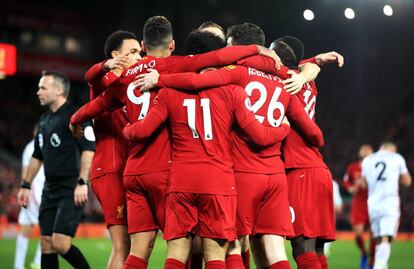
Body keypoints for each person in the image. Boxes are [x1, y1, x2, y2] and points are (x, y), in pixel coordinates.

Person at [70, 16, 279, 269]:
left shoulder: (125, 76)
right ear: (172, 45)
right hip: (170, 172)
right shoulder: (177, 70)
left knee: (138, 253)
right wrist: (258, 49)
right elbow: (217, 60)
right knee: (198, 246)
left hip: (135, 171)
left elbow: (97, 104)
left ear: (144, 45)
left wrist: (75, 120)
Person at [135, 28, 325, 269]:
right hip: (275, 176)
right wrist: (311, 66)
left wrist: (159, 80)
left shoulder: (237, 74)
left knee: (231, 244)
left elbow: (196, 81)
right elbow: (316, 135)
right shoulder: (284, 79)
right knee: (276, 252)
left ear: (236, 47)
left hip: (242, 171)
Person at [17, 70, 95, 269]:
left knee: (60, 243)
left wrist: (82, 182)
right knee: (46, 244)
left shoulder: (76, 116)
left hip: (71, 188)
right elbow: (37, 155)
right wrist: (25, 185)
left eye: (43, 87)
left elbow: (88, 149)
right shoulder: (44, 120)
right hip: (49, 190)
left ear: (59, 90)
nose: (38, 91)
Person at [82, 30, 141, 269]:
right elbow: (90, 76)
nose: (140, 56)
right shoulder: (105, 85)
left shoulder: (132, 86)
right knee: (122, 246)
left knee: (131, 246)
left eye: (141, 51)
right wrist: (107, 65)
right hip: (110, 170)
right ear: (117, 55)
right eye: (134, 51)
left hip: (125, 171)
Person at [361, 141, 412, 269]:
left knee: (378, 239)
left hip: (372, 204)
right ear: (392, 149)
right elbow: (407, 181)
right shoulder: (396, 158)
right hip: (389, 202)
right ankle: (378, 267)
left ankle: (382, 265)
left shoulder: (367, 160)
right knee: (386, 239)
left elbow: (363, 183)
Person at [14, 124, 45, 269]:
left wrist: (23, 189)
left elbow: (24, 172)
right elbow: (27, 171)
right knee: (47, 230)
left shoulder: (30, 147)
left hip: (32, 192)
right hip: (36, 193)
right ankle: (37, 262)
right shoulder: (38, 146)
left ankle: (19, 265)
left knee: (26, 229)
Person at [343, 144, 375, 269]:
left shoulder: (375, 167)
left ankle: (372, 261)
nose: (366, 154)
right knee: (358, 234)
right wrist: (350, 188)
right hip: (359, 204)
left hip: (373, 203)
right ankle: (363, 252)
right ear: (360, 154)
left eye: (369, 153)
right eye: (364, 153)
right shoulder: (353, 167)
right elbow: (346, 181)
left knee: (374, 236)